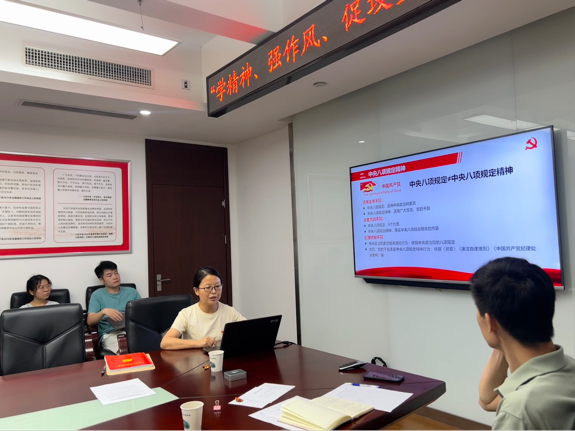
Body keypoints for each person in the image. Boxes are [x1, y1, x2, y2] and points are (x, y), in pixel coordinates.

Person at [470, 257, 575, 431]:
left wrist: (501, 334)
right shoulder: (568, 365)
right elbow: (487, 401)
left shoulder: (518, 411)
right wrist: (502, 342)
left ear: (490, 321)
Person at [161, 266, 245, 350]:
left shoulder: (230, 311)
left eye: (217, 286)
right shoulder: (186, 314)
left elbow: (248, 332)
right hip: (195, 358)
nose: (214, 292)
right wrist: (197, 343)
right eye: (208, 287)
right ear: (196, 291)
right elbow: (165, 342)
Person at [87, 260, 140, 354]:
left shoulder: (132, 292)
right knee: (125, 352)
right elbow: (90, 321)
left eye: (116, 273)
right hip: (111, 334)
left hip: (133, 330)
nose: (115, 277)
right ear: (101, 280)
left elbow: (142, 312)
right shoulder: (97, 295)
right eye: (109, 275)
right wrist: (103, 312)